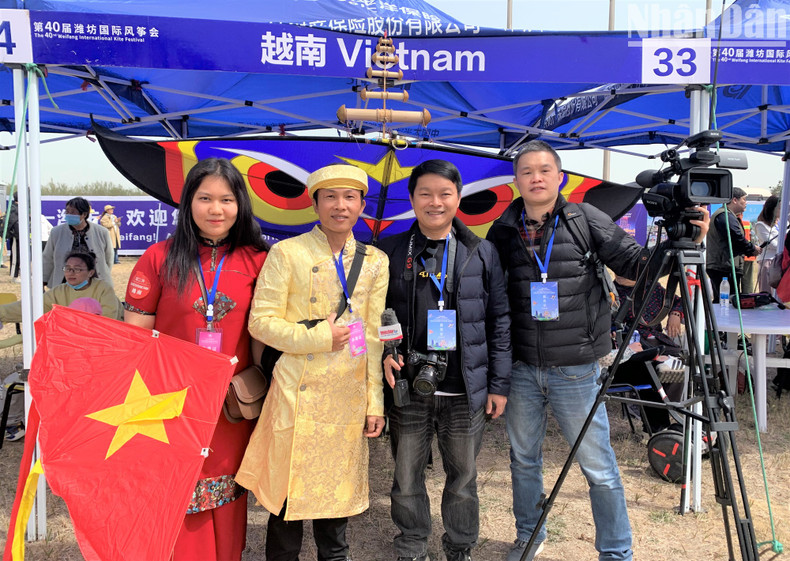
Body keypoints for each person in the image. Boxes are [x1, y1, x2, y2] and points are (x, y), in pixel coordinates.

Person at [485, 140, 709, 561]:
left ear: (558, 177)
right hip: (521, 367)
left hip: (577, 368)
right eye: (527, 171)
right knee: (523, 461)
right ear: (516, 181)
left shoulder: (584, 218)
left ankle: (616, 550)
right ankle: (529, 537)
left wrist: (681, 243)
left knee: (599, 468)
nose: (536, 178)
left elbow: (634, 263)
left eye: (544, 170)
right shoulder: (501, 230)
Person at [236, 164, 389, 561]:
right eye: (331, 197)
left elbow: (369, 337)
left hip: (346, 394)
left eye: (350, 197)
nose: (341, 206)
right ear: (315, 203)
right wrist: (320, 336)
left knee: (334, 512)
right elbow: (260, 323)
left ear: (361, 205)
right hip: (295, 392)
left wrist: (375, 403)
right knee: (285, 509)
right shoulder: (288, 253)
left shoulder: (375, 261)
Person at [124, 158, 269, 561]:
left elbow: (260, 337)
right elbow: (136, 337)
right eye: (205, 198)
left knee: (224, 490)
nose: (216, 209)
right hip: (171, 403)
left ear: (240, 205)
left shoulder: (258, 259)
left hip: (231, 405)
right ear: (188, 202)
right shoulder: (158, 257)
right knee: (177, 494)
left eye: (226, 199)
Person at [377, 159, 511, 561]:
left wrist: (499, 385)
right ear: (413, 198)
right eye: (425, 194)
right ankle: (412, 545)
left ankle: (459, 546)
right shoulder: (391, 250)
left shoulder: (481, 251)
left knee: (464, 479)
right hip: (409, 386)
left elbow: (500, 321)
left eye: (444, 194)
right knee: (405, 478)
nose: (435, 202)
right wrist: (386, 354)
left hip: (464, 389)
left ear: (458, 197)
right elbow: (375, 316)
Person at [0, 251, 122, 442]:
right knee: (25, 377)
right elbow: (30, 307)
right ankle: (18, 420)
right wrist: (2, 313)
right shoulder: (59, 291)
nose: (71, 273)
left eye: (77, 269)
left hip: (101, 354)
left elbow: (107, 323)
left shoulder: (103, 289)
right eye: (67, 268)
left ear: (91, 272)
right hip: (68, 353)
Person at [43, 197, 114, 288]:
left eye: (72, 212)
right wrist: (43, 280)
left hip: (94, 284)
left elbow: (108, 258)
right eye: (67, 212)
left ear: (84, 214)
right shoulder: (56, 232)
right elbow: (48, 258)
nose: (68, 214)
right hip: (64, 284)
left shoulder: (101, 232)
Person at [706, 187, 761, 301]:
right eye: (744, 199)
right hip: (723, 267)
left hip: (726, 266)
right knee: (726, 302)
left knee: (727, 301)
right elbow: (736, 238)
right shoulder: (724, 216)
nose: (746, 203)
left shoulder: (727, 216)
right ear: (734, 200)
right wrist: (752, 248)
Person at [753, 195, 780, 293]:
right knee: (767, 292)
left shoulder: (781, 223)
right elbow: (772, 245)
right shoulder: (761, 225)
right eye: (779, 207)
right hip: (768, 262)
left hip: (780, 261)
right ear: (772, 208)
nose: (781, 210)